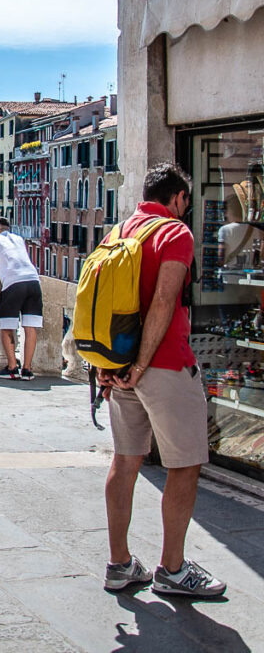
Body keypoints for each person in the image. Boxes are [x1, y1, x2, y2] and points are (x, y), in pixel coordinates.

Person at [98, 163, 226, 598]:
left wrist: (108, 363)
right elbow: (164, 303)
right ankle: (172, 570)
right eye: (186, 203)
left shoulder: (118, 233)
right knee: (185, 463)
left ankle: (119, 565)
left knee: (125, 460)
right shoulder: (174, 233)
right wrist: (143, 363)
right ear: (177, 198)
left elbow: (98, 305)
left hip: (117, 369)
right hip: (165, 363)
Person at [0, 216, 42, 380]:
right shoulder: (19, 238)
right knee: (30, 327)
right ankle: (28, 370)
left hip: (13, 283)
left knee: (7, 326)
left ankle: (12, 367)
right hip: (33, 281)